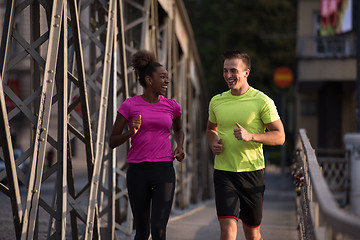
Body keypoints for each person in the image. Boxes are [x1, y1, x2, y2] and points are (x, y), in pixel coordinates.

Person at [206, 50, 285, 240]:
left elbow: (280, 137)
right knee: (227, 230)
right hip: (224, 172)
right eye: (225, 71)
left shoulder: (262, 101)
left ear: (246, 72)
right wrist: (212, 143)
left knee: (252, 233)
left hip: (252, 172)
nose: (228, 76)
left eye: (233, 71)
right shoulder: (217, 101)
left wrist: (251, 136)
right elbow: (210, 129)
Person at [109, 50, 185, 240]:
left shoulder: (172, 106)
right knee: (142, 232)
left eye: (167, 77)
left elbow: (178, 130)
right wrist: (130, 133)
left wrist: (180, 146)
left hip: (163, 170)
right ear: (150, 80)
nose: (167, 81)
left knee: (159, 230)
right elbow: (112, 141)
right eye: (163, 77)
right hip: (138, 172)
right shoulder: (129, 105)